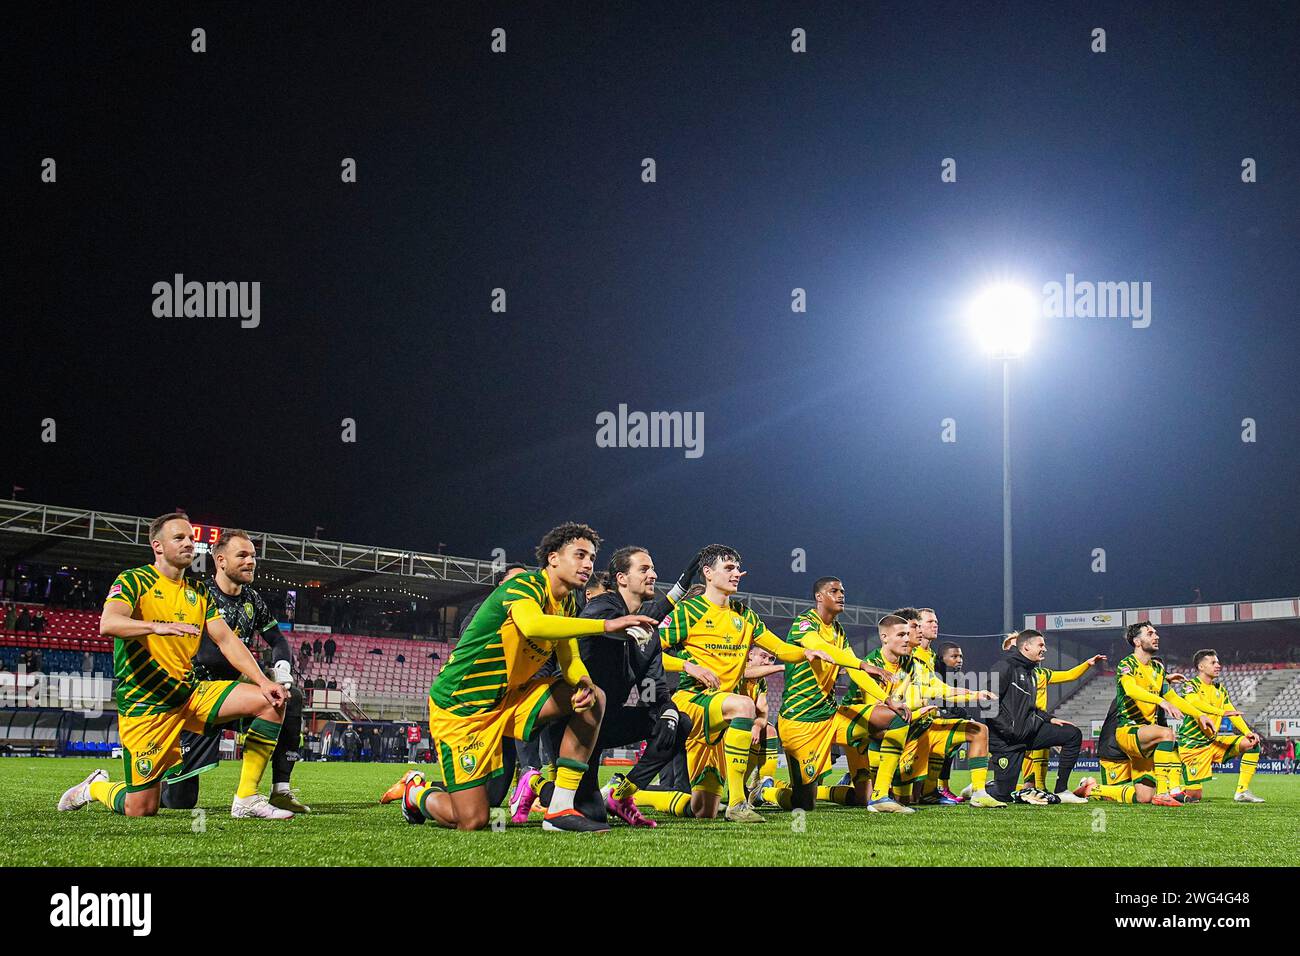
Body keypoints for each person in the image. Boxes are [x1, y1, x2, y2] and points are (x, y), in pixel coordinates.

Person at [391, 523, 658, 832]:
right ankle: (416, 793)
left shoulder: (568, 603)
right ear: (554, 558)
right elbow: (532, 626)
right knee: (472, 819)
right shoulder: (525, 586)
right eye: (580, 555)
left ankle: (559, 810)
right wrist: (606, 626)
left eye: (592, 558)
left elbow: (569, 658)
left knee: (595, 696)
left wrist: (582, 682)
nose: (588, 564)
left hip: (511, 697)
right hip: (462, 706)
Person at [56, 513, 289, 820]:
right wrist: (154, 627)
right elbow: (108, 623)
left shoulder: (198, 591)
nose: (189, 544)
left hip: (190, 694)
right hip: (146, 704)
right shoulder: (134, 580)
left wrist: (263, 680)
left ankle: (246, 798)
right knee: (141, 809)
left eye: (191, 539)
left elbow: (227, 640)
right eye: (179, 538)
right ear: (158, 546)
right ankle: (94, 788)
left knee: (272, 700)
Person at [632, 544, 836, 823]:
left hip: (724, 712)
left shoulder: (745, 615)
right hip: (693, 702)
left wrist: (806, 652)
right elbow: (647, 650)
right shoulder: (689, 611)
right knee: (744, 704)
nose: (737, 573)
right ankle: (738, 802)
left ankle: (631, 794)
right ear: (708, 573)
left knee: (702, 809)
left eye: (738, 568)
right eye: (729, 568)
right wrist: (687, 665)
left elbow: (780, 648)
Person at [521, 545, 704, 826]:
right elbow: (595, 625)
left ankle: (622, 793)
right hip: (575, 721)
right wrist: (623, 630)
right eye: (644, 569)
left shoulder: (650, 635)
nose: (653, 574)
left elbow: (653, 687)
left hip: (608, 720)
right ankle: (535, 785)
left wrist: (666, 709)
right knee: (589, 813)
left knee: (678, 722)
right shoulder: (603, 606)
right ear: (621, 578)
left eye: (653, 569)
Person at [160, 529, 309, 815]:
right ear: (220, 561)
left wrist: (282, 670)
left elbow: (277, 639)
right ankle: (108, 787)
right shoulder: (198, 595)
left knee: (289, 696)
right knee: (179, 801)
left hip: (234, 694)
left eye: (253, 556)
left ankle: (279, 790)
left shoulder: (254, 600)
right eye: (242, 555)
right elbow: (211, 653)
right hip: (196, 699)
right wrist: (259, 678)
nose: (251, 561)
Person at [752, 577, 897, 811]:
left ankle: (880, 794)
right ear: (819, 597)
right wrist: (863, 664)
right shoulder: (804, 624)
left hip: (831, 716)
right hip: (800, 720)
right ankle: (766, 791)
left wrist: (887, 699)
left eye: (843, 591)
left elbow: (852, 669)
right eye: (834, 591)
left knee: (893, 716)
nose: (841, 595)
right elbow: (820, 647)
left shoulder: (838, 631)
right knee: (803, 803)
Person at [1077, 621, 1215, 806]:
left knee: (1143, 797)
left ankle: (1092, 789)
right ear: (1137, 641)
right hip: (1128, 731)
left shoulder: (1157, 669)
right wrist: (1160, 700)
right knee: (1167, 734)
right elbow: (1131, 690)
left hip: (1145, 738)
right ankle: (1167, 791)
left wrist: (1199, 715)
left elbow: (1173, 696)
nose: (1156, 636)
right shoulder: (1127, 664)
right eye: (1150, 633)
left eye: (1156, 633)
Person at [983, 630, 1094, 804]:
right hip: (1008, 740)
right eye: (1041, 645)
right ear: (1026, 646)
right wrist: (1011, 731)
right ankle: (980, 788)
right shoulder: (1003, 666)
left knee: (1072, 734)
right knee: (1002, 794)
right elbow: (987, 704)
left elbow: (1030, 707)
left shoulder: (1032, 673)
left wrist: (1049, 718)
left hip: (1028, 731)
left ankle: (1062, 790)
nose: (1045, 649)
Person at [1175, 649, 1263, 803]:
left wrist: (1248, 732)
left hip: (1214, 742)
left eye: (1218, 662)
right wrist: (1221, 712)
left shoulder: (1219, 689)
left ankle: (1242, 791)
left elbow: (1232, 713)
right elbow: (1195, 703)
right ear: (1201, 667)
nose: (1218, 665)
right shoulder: (1191, 685)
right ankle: (1169, 789)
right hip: (1193, 745)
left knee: (1252, 744)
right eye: (1213, 662)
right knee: (1194, 796)